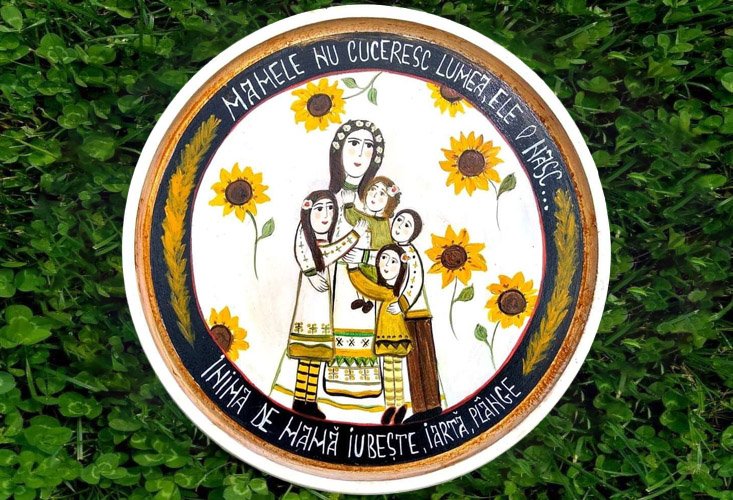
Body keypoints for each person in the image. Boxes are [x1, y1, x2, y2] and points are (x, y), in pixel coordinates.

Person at [285, 190, 367, 419]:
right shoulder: (308, 239)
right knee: (307, 351)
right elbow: (326, 254)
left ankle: (308, 400)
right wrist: (354, 236)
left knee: (316, 352)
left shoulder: (323, 238)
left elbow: (332, 253)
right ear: (308, 213)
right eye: (319, 209)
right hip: (311, 303)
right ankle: (301, 399)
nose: (326, 215)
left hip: (321, 303)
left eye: (331, 209)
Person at [347, 244, 412, 425]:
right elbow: (366, 287)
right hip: (384, 336)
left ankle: (400, 404)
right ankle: (391, 405)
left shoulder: (395, 293)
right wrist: (353, 268)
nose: (387, 264)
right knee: (389, 371)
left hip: (398, 336)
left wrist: (353, 269)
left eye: (393, 261)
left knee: (395, 371)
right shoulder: (385, 291)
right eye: (383, 258)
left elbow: (368, 288)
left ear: (402, 267)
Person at [388, 209, 443, 423]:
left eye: (407, 225)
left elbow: (414, 281)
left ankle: (432, 405)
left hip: (417, 313)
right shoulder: (397, 250)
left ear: (413, 233)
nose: (400, 226)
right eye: (399, 220)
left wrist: (402, 303)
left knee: (424, 360)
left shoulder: (409, 253)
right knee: (413, 362)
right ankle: (421, 408)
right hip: (407, 314)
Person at [344, 176, 401, 311]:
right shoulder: (373, 219)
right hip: (365, 266)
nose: (375, 195)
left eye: (382, 193)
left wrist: (348, 205)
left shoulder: (381, 223)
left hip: (376, 268)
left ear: (389, 202)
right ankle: (364, 300)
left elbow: (354, 218)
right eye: (373, 189)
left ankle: (368, 301)